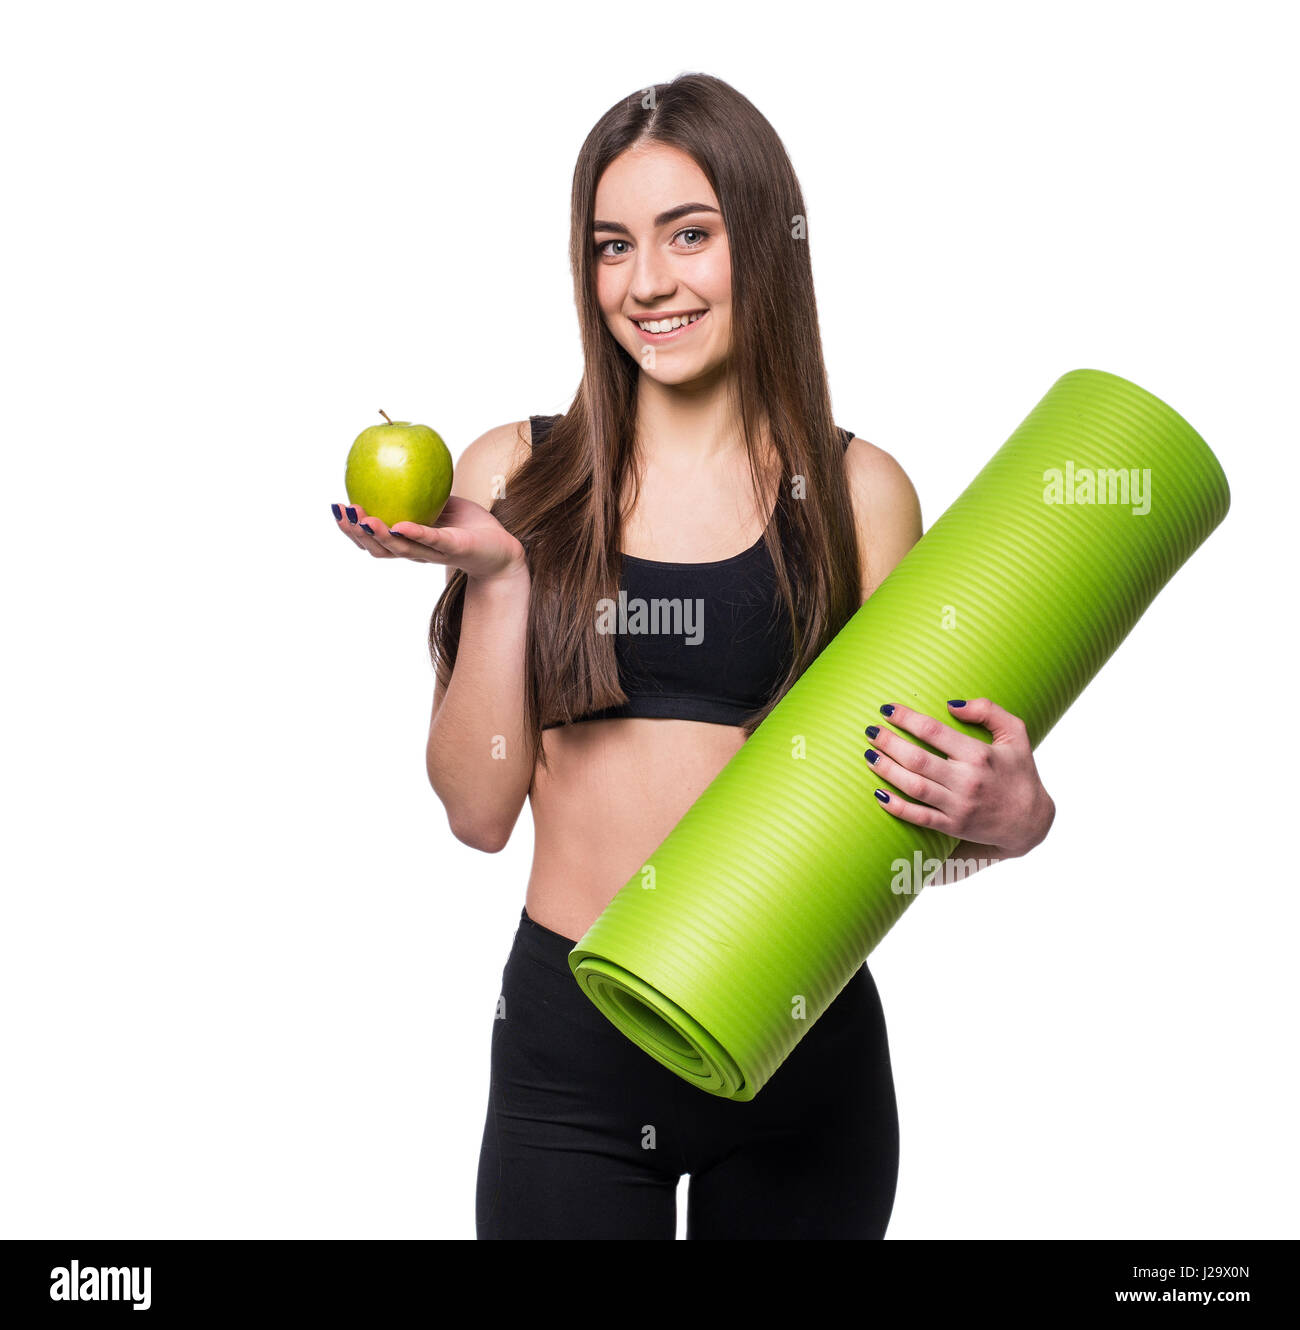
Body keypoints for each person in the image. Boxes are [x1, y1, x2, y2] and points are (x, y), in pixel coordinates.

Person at [331, 72, 1056, 1239]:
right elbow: (475, 811)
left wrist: (1009, 823)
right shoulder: (512, 472)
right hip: (572, 1052)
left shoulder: (860, 495)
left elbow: (898, 842)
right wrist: (503, 576)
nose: (648, 281)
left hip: (799, 1048)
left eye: (690, 235)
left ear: (761, 244)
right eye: (613, 244)